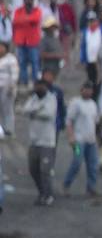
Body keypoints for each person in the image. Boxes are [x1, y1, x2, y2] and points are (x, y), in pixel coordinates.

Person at [21, 76, 58, 205]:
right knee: (33, 169)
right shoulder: (33, 98)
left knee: (45, 170)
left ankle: (48, 195)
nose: (38, 89)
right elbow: (24, 110)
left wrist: (34, 112)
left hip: (47, 142)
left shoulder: (51, 99)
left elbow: (48, 114)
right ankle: (42, 192)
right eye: (36, 87)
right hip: (34, 141)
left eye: (40, 87)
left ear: (46, 88)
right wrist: (37, 110)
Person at [60, 81, 100, 197]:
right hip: (78, 141)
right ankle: (66, 185)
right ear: (81, 90)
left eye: (90, 89)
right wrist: (71, 137)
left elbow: (96, 122)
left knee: (93, 165)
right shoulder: (76, 103)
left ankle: (91, 188)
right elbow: (68, 121)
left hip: (91, 141)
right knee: (77, 162)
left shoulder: (93, 104)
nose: (88, 91)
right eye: (85, 89)